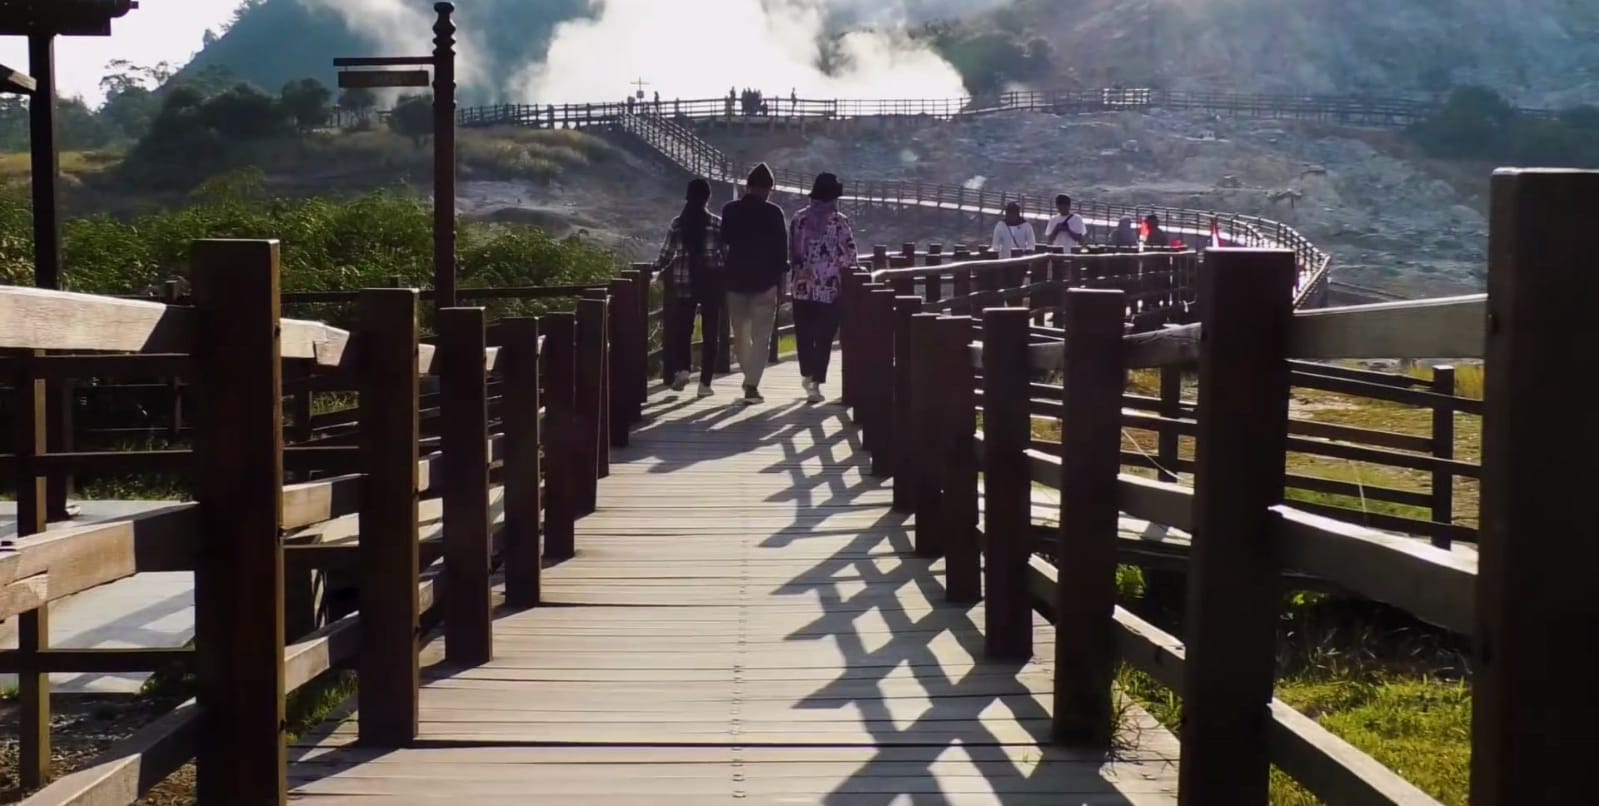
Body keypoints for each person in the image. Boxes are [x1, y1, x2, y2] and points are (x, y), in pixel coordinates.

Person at [720, 163, 788, 404]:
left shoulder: (730, 210)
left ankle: (748, 376)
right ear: (769, 189)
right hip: (766, 282)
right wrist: (783, 284)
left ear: (747, 186)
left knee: (740, 334)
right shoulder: (774, 213)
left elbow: (723, 242)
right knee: (762, 337)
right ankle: (751, 384)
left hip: (736, 281)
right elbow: (782, 253)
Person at [789, 172, 857, 404]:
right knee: (825, 337)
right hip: (830, 289)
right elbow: (849, 255)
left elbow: (794, 253)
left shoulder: (799, 219)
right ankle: (816, 382)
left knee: (804, 335)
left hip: (801, 287)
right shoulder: (839, 221)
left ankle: (808, 374)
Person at [654, 178, 724, 397]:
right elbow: (725, 254)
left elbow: (666, 254)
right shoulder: (716, 223)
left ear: (687, 196)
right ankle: (705, 384)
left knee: (683, 330)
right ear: (707, 198)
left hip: (683, 282)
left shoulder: (678, 223)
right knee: (710, 332)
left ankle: (683, 370)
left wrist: (654, 269)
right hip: (711, 283)